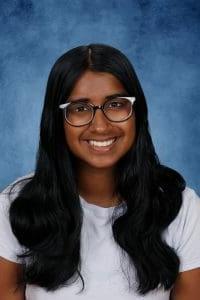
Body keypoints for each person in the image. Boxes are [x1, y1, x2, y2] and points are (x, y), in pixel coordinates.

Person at [0, 44, 200, 300]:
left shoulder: (182, 208)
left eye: (116, 104)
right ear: (56, 120)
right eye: (80, 108)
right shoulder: (15, 207)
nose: (100, 126)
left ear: (136, 112)